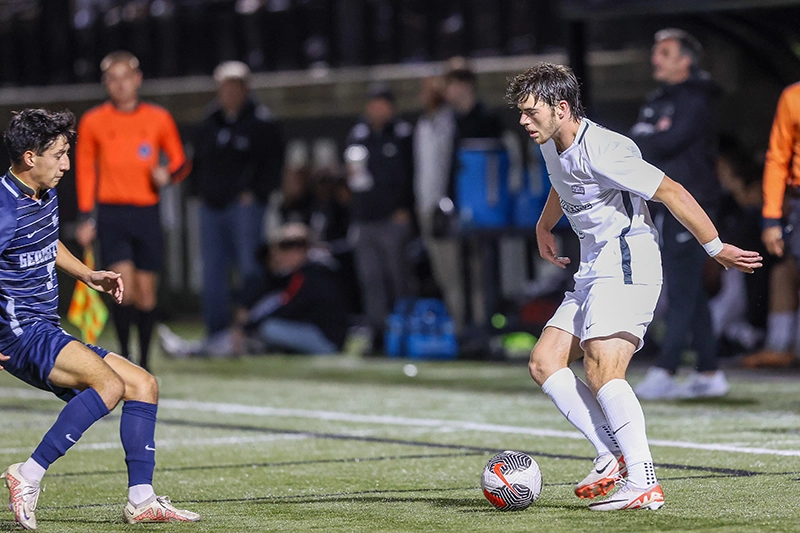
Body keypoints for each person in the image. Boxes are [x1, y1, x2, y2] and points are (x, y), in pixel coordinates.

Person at [505, 63, 761, 511]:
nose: (523, 121)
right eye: (521, 112)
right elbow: (560, 182)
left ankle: (642, 481)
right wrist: (546, 226)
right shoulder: (550, 139)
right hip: (594, 268)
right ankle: (612, 456)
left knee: (603, 367)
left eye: (531, 112)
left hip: (627, 264)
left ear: (561, 109)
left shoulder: (606, 149)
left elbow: (672, 191)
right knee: (545, 362)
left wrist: (715, 246)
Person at [0, 109, 199, 530]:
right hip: (20, 334)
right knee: (107, 385)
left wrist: (88, 275)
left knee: (143, 385)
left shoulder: (43, 194)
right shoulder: (3, 206)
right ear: (30, 157)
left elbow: (47, 243)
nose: (68, 164)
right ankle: (28, 474)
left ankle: (142, 500)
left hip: (46, 328)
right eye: (59, 155)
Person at [75, 51, 190, 371]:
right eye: (113, 79)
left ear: (137, 79)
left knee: (146, 293)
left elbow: (180, 162)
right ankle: (125, 355)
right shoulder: (94, 121)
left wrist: (168, 174)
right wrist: (87, 215)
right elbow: (85, 170)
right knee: (123, 288)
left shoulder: (158, 118)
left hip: (146, 212)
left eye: (126, 77)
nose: (120, 85)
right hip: (112, 212)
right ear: (106, 83)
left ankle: (144, 359)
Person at [629, 28, 727, 399]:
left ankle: (666, 369)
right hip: (669, 204)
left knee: (682, 289)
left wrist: (651, 136)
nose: (656, 59)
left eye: (665, 53)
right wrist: (653, 136)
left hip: (694, 204)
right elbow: (638, 141)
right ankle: (710, 371)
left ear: (685, 61)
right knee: (689, 288)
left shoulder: (697, 100)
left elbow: (665, 141)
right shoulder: (660, 98)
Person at [189, 60, 285, 342]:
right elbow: (199, 161)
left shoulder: (261, 122)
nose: (228, 93)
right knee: (213, 271)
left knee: (249, 268)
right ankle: (216, 331)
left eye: (234, 87)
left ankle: (250, 328)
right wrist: (200, 193)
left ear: (245, 89)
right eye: (224, 88)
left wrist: (256, 192)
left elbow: (273, 164)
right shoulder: (210, 121)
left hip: (245, 208)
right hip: (212, 207)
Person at [159, 223, 348, 356]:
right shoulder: (306, 271)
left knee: (268, 327)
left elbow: (289, 307)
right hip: (320, 335)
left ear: (299, 251)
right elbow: (270, 289)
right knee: (262, 324)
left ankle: (193, 351)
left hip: (327, 343)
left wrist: (245, 328)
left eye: (283, 252)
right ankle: (199, 348)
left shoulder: (312, 275)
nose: (279, 259)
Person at [343, 83, 414, 351]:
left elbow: (410, 176)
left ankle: (404, 332)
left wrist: (405, 208)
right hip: (364, 219)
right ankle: (377, 335)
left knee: (398, 277)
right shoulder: (358, 135)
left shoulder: (402, 135)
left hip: (392, 218)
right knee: (370, 279)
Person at [739, 80, 800, 368]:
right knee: (787, 271)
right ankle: (780, 346)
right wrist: (772, 218)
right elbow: (778, 158)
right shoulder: (793, 97)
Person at [413, 75, 462, 331]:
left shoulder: (449, 122)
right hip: (426, 208)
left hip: (445, 208)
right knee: (442, 274)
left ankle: (464, 328)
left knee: (454, 272)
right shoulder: (423, 124)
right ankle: (455, 326)